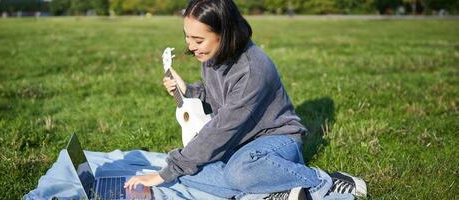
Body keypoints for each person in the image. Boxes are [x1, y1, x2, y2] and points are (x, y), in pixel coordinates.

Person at [124, 0, 367, 199]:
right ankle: (273, 191)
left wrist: (167, 172)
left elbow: (224, 126)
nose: (191, 46)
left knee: (231, 171)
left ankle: (323, 181)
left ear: (225, 33)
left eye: (198, 40)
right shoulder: (213, 57)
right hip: (239, 143)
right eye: (187, 37)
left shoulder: (252, 69)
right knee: (189, 168)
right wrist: (189, 90)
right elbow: (218, 97)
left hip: (274, 142)